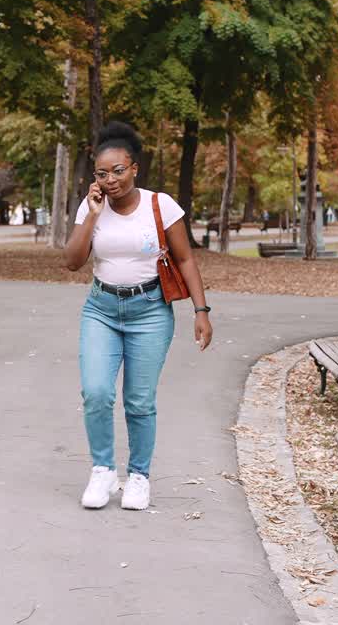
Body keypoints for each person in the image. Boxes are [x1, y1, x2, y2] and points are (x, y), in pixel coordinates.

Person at [63, 121, 213, 510]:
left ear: (134, 169)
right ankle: (102, 471)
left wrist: (201, 310)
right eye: (101, 173)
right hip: (101, 309)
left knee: (139, 400)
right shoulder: (91, 206)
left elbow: (185, 259)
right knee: (96, 392)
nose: (110, 180)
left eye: (117, 170)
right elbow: (72, 262)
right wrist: (93, 215)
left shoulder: (160, 205)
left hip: (150, 312)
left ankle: (139, 476)